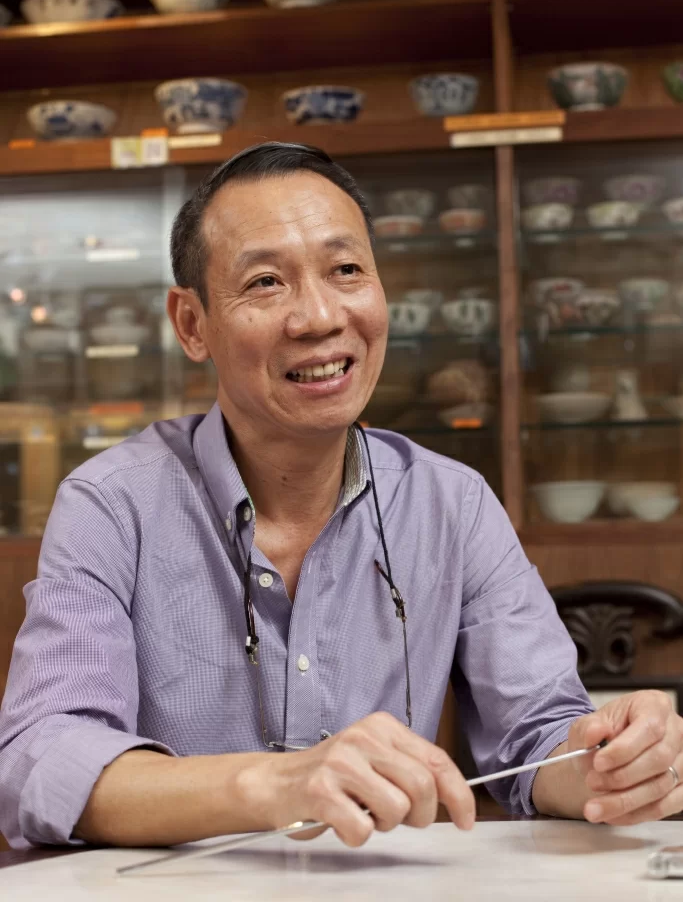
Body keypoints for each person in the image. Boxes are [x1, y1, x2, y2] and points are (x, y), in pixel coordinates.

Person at [0, 142, 681, 851]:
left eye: (346, 270)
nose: (320, 317)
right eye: (266, 282)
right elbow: (41, 760)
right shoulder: (112, 506)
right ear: (192, 324)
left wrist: (610, 765)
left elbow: (539, 739)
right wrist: (275, 785)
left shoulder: (452, 504)